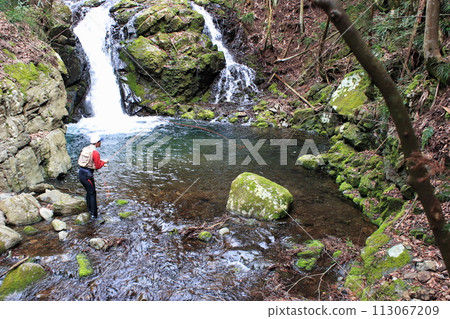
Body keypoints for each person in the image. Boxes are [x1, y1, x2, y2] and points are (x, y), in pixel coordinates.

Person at [78, 133, 109, 219]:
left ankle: (89, 210)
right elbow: (98, 166)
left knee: (89, 192)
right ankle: (94, 215)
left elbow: (91, 162)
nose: (101, 143)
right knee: (92, 193)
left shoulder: (86, 149)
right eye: (100, 141)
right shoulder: (95, 152)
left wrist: (101, 162)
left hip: (81, 173)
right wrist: (104, 162)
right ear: (97, 143)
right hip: (87, 176)